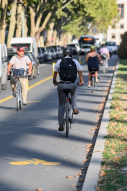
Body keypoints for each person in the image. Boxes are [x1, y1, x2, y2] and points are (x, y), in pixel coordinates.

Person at [53, 47, 84, 131]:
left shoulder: (59, 62)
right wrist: (81, 81)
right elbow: (80, 73)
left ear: (63, 54)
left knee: (61, 104)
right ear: (71, 54)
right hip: (72, 84)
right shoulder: (75, 62)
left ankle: (61, 125)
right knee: (74, 91)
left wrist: (54, 81)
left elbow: (55, 73)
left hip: (62, 85)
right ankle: (74, 108)